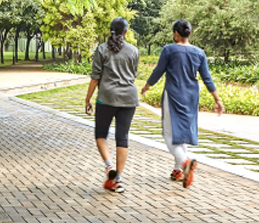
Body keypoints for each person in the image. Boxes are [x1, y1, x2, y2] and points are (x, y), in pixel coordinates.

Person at [141, 19, 224, 188]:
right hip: (191, 97)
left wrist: (147, 86)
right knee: (182, 133)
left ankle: (185, 162)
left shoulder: (169, 50)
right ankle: (178, 170)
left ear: (176, 34)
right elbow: (207, 78)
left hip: (173, 95)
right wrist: (217, 99)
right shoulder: (199, 53)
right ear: (189, 33)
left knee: (169, 135)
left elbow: (158, 71)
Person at [85, 17, 139, 193]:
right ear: (126, 32)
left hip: (107, 98)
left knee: (101, 134)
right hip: (129, 98)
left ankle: (109, 166)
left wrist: (88, 99)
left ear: (111, 30)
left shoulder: (101, 49)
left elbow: (95, 77)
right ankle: (118, 179)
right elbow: (133, 74)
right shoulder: (133, 50)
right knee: (122, 138)